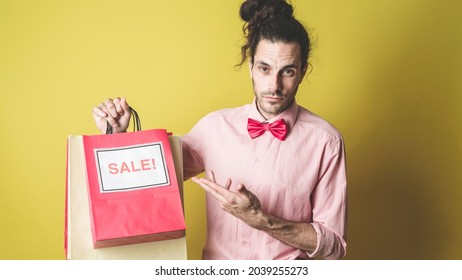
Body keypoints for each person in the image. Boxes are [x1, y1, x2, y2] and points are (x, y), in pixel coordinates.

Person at [92, 0, 347, 260]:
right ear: (251, 67)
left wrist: (262, 220)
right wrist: (118, 136)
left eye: (288, 71)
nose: (274, 85)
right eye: (264, 68)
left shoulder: (326, 142)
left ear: (303, 71)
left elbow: (334, 246)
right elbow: (149, 178)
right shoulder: (214, 127)